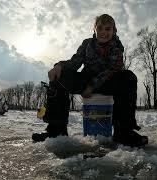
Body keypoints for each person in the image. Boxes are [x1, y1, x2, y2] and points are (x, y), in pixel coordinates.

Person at [32, 14, 148, 147]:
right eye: (100, 28)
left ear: (114, 31)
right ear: (95, 29)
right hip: (86, 79)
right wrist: (59, 66)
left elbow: (112, 70)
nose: (103, 32)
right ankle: (56, 131)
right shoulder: (87, 43)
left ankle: (124, 133)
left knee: (128, 77)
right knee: (59, 76)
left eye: (108, 29)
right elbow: (74, 62)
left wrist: (92, 86)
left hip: (107, 82)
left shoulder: (117, 47)